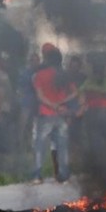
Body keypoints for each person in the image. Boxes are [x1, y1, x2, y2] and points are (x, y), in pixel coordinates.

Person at [32, 44, 77, 183]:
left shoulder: (38, 75)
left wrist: (52, 105)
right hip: (61, 115)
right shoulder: (64, 75)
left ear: (46, 59)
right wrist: (61, 102)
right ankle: (63, 175)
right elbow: (75, 92)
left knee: (40, 146)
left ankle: (37, 175)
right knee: (62, 146)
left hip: (46, 114)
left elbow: (40, 96)